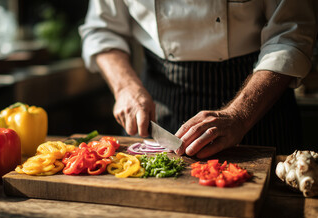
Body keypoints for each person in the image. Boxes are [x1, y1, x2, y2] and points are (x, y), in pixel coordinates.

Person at [79, 0, 317, 158]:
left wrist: (240, 115)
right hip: (159, 102)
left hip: (260, 104)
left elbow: (292, 32)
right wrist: (125, 87)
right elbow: (103, 30)